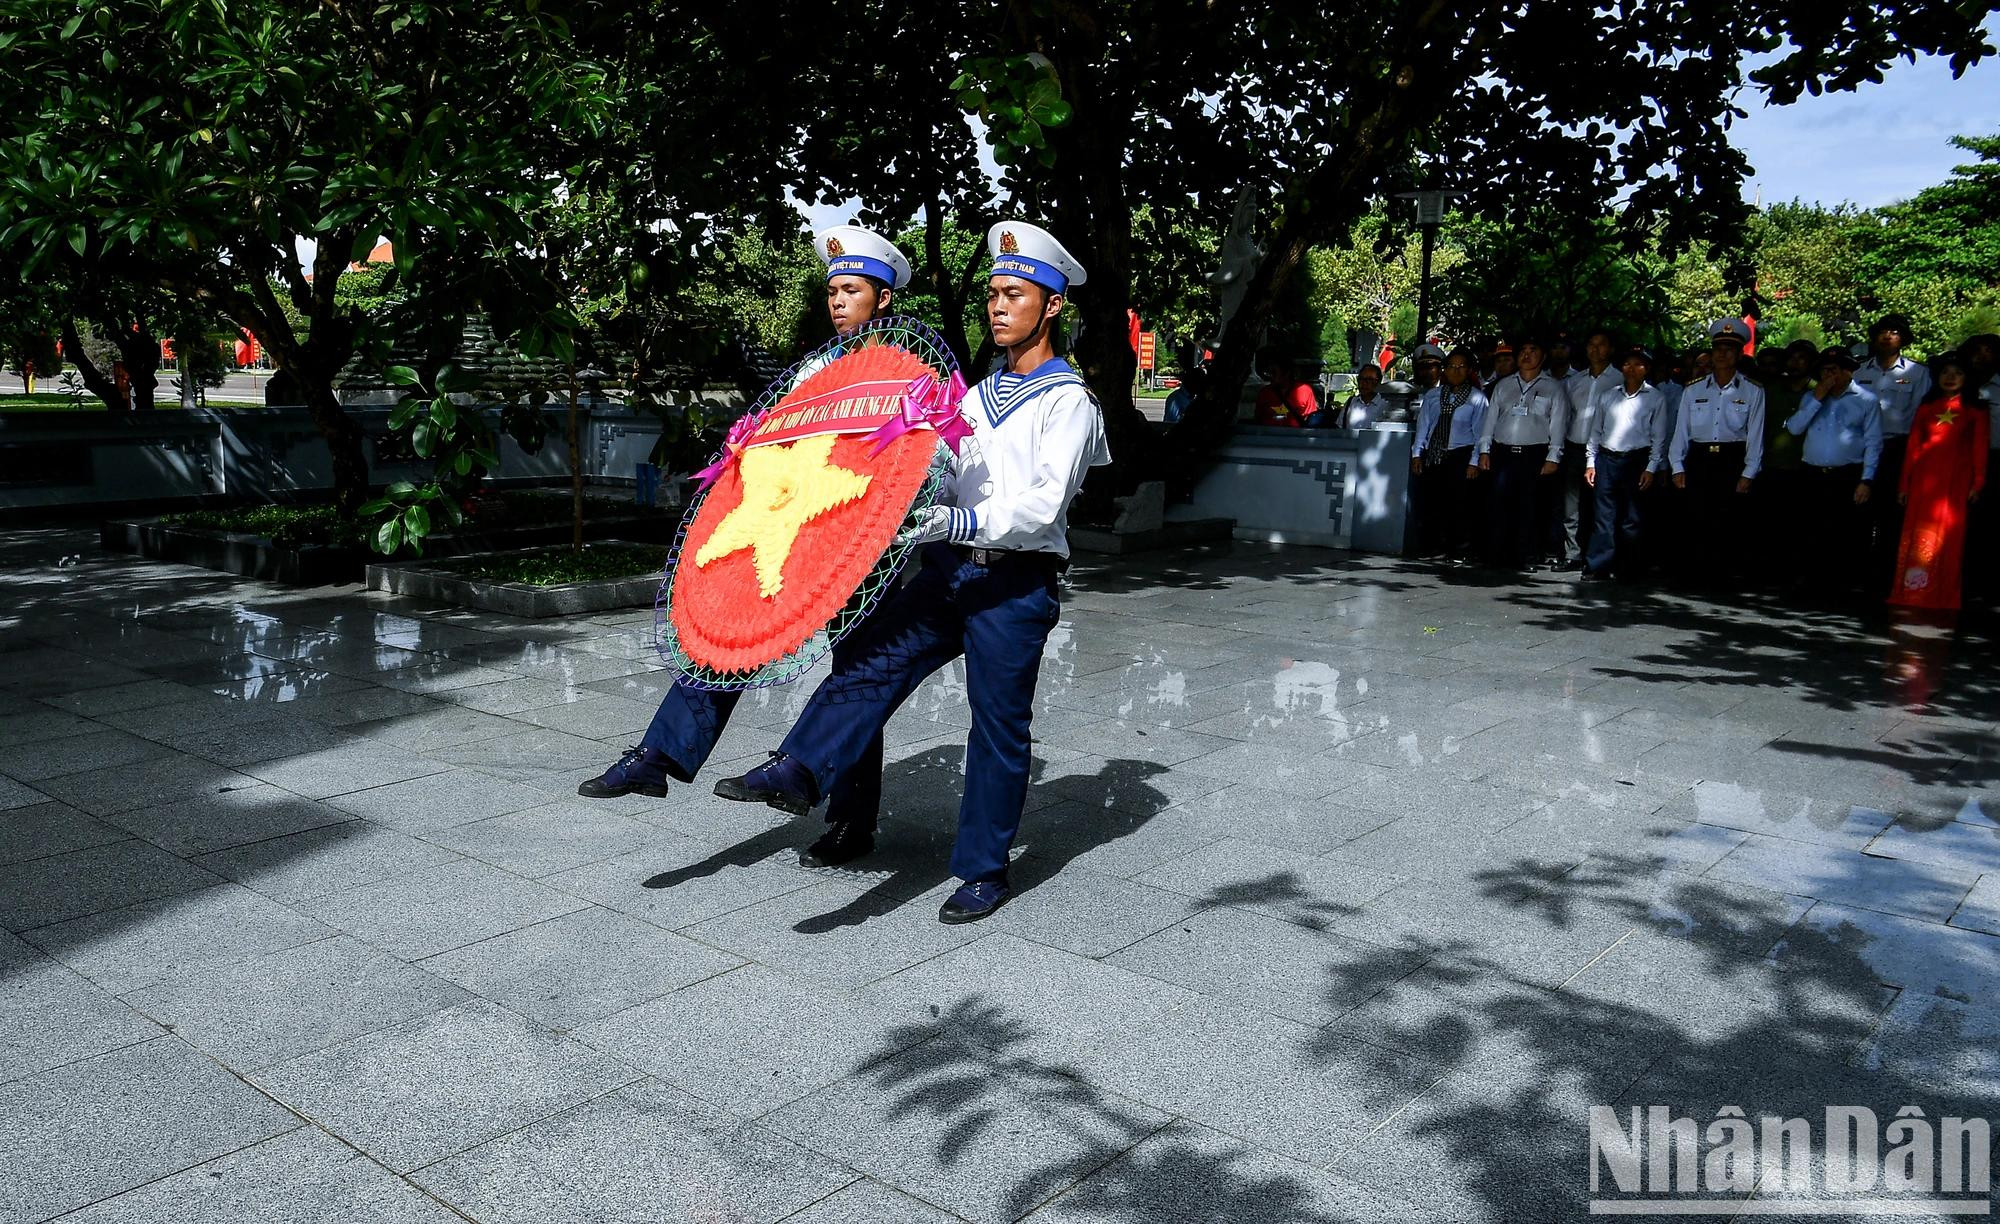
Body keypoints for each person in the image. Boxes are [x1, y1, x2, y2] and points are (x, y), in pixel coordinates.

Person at [715, 221, 1110, 924]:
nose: (997, 307)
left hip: (1014, 587)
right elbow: (951, 476)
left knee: (996, 730)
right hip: (949, 568)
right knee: (868, 658)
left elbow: (1040, 510)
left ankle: (984, 872)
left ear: (1052, 307)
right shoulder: (976, 394)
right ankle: (800, 766)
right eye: (992, 294)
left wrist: (949, 520)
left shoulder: (1067, 402)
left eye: (1014, 295)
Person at [573, 224, 909, 871]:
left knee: (854, 682)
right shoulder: (815, 369)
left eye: (853, 290)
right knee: (729, 638)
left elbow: (923, 463)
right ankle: (660, 756)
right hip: (789, 538)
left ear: (883, 300)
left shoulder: (907, 374)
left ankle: (849, 823)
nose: (838, 301)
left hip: (860, 552)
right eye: (833, 290)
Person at [1668, 318, 1765, 584]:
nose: (1722, 354)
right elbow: (1681, 431)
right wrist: (1677, 465)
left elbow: (1755, 435)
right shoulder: (1694, 389)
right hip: (1699, 458)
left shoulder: (1753, 391)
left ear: (1738, 354)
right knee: (1695, 517)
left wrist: (1749, 472)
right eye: (1718, 348)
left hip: (1732, 459)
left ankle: (1721, 577)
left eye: (1729, 349)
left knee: (1727, 520)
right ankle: (1694, 574)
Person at [1890, 351, 1988, 612]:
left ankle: (1941, 595)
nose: (1950, 377)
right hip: (1923, 482)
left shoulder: (1975, 411)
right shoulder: (1926, 407)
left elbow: (1979, 449)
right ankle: (1911, 591)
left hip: (1954, 484)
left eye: (1957, 373)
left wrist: (1977, 483)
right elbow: (1913, 447)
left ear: (1967, 378)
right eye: (1945, 372)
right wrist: (1904, 484)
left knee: (1948, 536)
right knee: (1916, 534)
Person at [1783, 346, 1883, 598]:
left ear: (1847, 371)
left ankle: (1841, 587)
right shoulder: (1812, 397)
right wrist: (1817, 397)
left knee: (1844, 533)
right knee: (1810, 530)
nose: (1829, 376)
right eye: (1825, 370)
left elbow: (1873, 443)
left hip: (1846, 474)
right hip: (1813, 473)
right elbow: (1794, 429)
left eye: (1835, 370)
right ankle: (1809, 582)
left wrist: (1866, 480)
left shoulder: (1866, 400)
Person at [1854, 314, 1933, 582]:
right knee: (1860, 512)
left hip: (1898, 448)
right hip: (1863, 448)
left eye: (1895, 331)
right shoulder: (1859, 372)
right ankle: (1859, 574)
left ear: (1903, 338)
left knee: (1892, 515)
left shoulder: (1918, 373)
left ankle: (1887, 576)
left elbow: (1924, 416)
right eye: (1883, 331)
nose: (1888, 336)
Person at [1478, 337, 1568, 570]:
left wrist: (1553, 457)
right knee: (1499, 504)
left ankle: (1528, 556)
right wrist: (1484, 450)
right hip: (1503, 451)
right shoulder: (1504, 385)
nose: (1527, 355)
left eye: (1533, 349)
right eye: (1523, 350)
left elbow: (1558, 424)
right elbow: (1490, 421)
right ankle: (1498, 555)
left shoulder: (1553, 388)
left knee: (1531, 507)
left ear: (1543, 356)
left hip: (1534, 453)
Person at [1582, 347, 1668, 582]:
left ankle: (1629, 567)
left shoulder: (1656, 398)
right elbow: (1595, 432)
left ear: (1647, 369)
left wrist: (1651, 467)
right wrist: (1591, 462)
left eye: (1638, 364)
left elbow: (1659, 437)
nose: (1632, 369)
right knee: (1603, 516)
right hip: (1608, 458)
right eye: (1628, 364)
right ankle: (1598, 566)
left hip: (1636, 460)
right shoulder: (1608, 396)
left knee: (1632, 518)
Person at [1410, 347, 1489, 560]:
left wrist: (1474, 461)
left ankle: (1459, 549)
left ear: (1469, 370)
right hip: (1435, 453)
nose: (1456, 371)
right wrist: (1417, 454)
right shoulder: (1434, 396)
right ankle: (1433, 546)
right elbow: (1424, 426)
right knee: (1434, 503)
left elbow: (1481, 432)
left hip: (1461, 454)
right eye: (1451, 366)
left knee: (1460, 504)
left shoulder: (1477, 398)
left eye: (1461, 367)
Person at [1556, 328, 1621, 570]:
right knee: (1571, 505)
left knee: (1600, 506)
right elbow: (1565, 416)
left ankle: (1597, 556)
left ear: (1610, 349)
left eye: (1601, 344)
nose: (1595, 349)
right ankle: (1572, 554)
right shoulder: (1575, 381)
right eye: (1591, 344)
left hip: (1604, 450)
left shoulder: (1619, 380)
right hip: (1574, 446)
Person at [1254, 353, 1316, 427]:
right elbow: (1258, 420)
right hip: (1269, 435)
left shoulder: (1305, 391)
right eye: (1268, 373)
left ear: (1286, 373)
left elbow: (1311, 420)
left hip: (1296, 436)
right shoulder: (1264, 393)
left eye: (1274, 372)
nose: (1270, 376)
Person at [1323, 363, 1388, 428]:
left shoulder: (1384, 405)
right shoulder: (1351, 403)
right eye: (1361, 379)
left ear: (1378, 381)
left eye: (1369, 380)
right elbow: (1340, 427)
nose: (1364, 383)